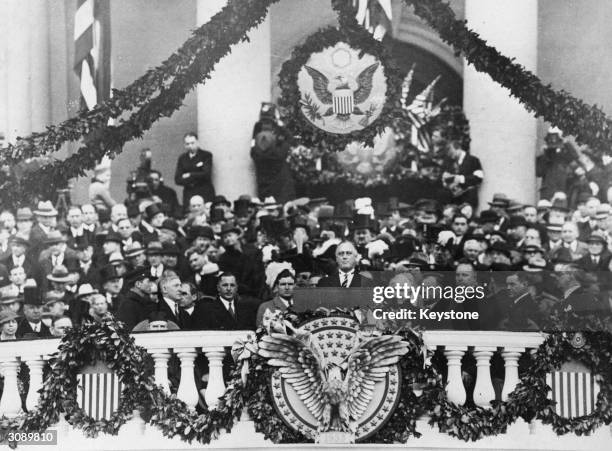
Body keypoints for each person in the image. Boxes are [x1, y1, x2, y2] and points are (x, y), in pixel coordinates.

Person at [174, 132, 215, 210]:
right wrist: (198, 174)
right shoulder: (182, 158)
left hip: (204, 192)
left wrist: (189, 175)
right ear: (184, 145)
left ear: (198, 143)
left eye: (192, 143)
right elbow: (177, 179)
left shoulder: (206, 155)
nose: (190, 146)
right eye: (187, 144)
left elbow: (206, 174)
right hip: (189, 193)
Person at [441, 140, 484, 208]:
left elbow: (478, 178)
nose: (450, 156)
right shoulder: (450, 162)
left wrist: (460, 179)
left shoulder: (473, 160)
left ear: (458, 148)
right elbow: (446, 178)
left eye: (452, 153)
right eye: (449, 154)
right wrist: (445, 180)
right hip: (453, 200)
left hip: (468, 199)